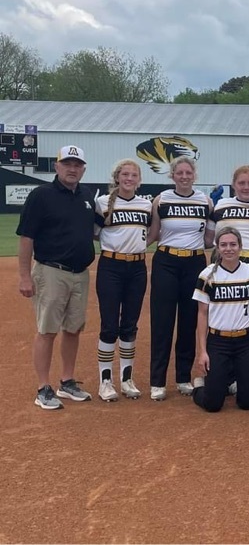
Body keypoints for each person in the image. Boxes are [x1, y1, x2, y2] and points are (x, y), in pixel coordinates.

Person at [17, 145, 95, 410]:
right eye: (67, 164)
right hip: (51, 271)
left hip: (80, 274)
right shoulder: (41, 195)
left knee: (73, 329)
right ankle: (43, 387)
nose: (73, 169)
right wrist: (24, 276)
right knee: (47, 330)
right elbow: (26, 237)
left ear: (83, 169)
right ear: (57, 166)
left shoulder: (86, 195)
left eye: (77, 164)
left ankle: (67, 381)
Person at [148, 156, 213, 401]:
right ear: (172, 175)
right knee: (162, 322)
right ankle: (157, 381)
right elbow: (154, 233)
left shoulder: (205, 201)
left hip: (195, 263)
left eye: (188, 173)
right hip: (166, 261)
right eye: (179, 173)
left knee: (189, 322)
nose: (184, 176)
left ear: (194, 175)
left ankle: (183, 377)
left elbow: (209, 238)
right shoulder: (161, 200)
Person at [93, 159, 151, 401]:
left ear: (138, 179)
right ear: (117, 178)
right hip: (111, 266)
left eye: (133, 175)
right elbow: (95, 233)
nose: (129, 178)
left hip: (137, 267)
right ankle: (105, 382)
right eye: (124, 174)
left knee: (129, 324)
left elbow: (149, 232)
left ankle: (126, 379)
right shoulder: (102, 203)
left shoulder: (146, 204)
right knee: (109, 325)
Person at [192, 227, 249, 412]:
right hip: (218, 341)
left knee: (248, 403)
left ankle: (233, 383)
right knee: (212, 405)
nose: (229, 249)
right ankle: (199, 387)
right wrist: (202, 352)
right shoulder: (207, 275)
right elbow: (202, 314)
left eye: (233, 244)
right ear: (217, 248)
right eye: (224, 245)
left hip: (245, 341)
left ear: (240, 246)